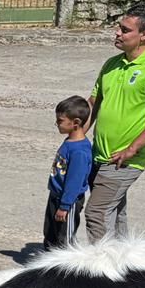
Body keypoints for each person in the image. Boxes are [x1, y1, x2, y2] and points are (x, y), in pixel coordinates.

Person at [85, 3, 145, 242]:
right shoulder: (112, 64)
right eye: (119, 27)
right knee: (115, 213)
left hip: (126, 159)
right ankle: (124, 269)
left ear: (144, 36)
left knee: (97, 212)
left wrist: (132, 149)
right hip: (99, 154)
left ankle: (101, 274)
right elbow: (93, 104)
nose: (117, 33)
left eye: (125, 30)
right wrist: (75, 139)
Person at [44, 96, 94, 251]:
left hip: (68, 202)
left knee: (64, 238)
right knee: (50, 233)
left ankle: (66, 270)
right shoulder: (69, 142)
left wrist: (65, 206)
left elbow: (74, 181)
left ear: (76, 123)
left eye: (60, 120)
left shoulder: (79, 151)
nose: (56, 124)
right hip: (56, 195)